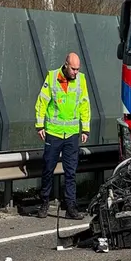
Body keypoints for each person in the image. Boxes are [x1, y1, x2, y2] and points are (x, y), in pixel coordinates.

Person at [34, 52, 91, 220]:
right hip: (53, 133)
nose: (75, 72)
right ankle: (44, 202)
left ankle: (71, 206)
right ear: (66, 65)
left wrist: (85, 129)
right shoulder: (52, 77)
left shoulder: (81, 80)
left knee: (71, 172)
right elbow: (42, 102)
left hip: (72, 134)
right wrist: (39, 125)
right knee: (48, 169)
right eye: (73, 69)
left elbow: (84, 104)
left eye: (77, 69)